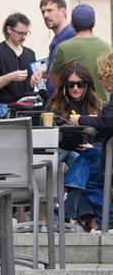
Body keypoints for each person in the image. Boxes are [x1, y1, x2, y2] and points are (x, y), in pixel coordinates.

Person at [46, 63, 102, 229]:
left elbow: (105, 137)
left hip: (86, 152)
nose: (76, 88)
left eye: (80, 84)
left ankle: (71, 213)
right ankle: (86, 217)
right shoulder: (54, 106)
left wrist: (93, 145)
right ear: (64, 85)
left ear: (87, 85)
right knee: (74, 158)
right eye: (71, 85)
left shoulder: (98, 106)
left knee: (84, 158)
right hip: (59, 150)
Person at [68, 52, 113, 230]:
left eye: (102, 77)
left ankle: (72, 184)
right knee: (88, 158)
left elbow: (108, 122)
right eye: (71, 85)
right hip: (104, 150)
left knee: (90, 174)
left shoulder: (102, 102)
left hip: (108, 153)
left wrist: (81, 120)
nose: (101, 82)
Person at [51, 4, 113, 102]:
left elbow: (54, 80)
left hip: (75, 106)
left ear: (72, 23)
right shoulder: (108, 47)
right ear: (94, 23)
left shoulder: (64, 48)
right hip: (102, 106)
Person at [0, 13, 39, 118]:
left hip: (28, 107)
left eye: (26, 33)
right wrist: (10, 77)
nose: (23, 37)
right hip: (5, 107)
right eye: (20, 33)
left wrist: (37, 78)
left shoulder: (30, 53)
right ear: (9, 29)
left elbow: (37, 78)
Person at [40, 0, 76, 95]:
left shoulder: (71, 35)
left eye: (49, 10)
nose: (45, 15)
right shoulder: (58, 37)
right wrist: (44, 73)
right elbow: (60, 70)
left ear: (62, 11)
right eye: (43, 12)